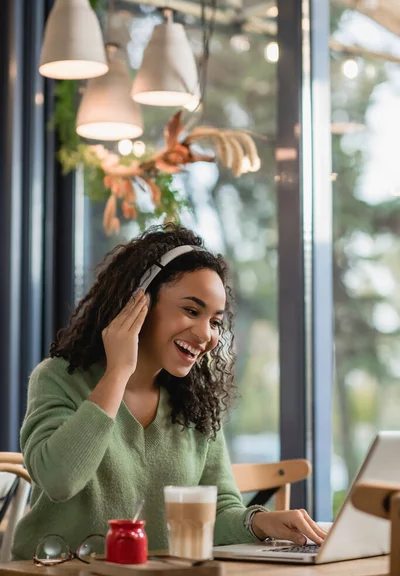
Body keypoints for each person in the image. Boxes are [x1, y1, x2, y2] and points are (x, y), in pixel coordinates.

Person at [12, 224, 326, 560]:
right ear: (139, 303)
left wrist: (260, 523)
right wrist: (118, 372)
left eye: (216, 321)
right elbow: (59, 480)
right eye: (192, 310)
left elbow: (216, 514)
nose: (206, 334)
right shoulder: (59, 378)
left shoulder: (195, 403)